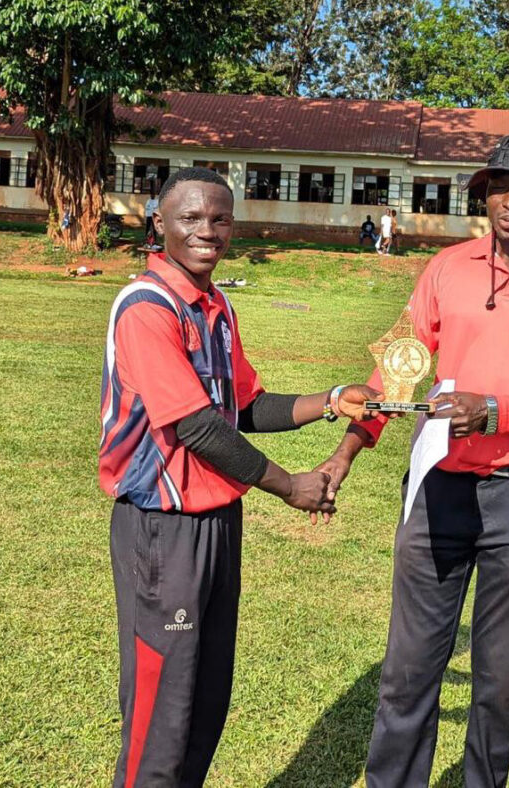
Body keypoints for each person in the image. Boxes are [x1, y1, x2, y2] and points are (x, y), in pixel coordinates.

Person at [316, 132, 509, 788]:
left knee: (498, 681)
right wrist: (347, 451)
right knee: (408, 670)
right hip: (439, 488)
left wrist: (497, 411)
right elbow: (400, 365)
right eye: (500, 187)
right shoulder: (447, 266)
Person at [99, 166, 381, 787]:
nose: (208, 230)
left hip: (219, 523)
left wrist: (333, 400)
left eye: (220, 218)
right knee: (162, 710)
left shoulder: (216, 307)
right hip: (163, 528)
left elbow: (245, 407)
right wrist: (290, 486)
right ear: (159, 224)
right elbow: (197, 427)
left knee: (204, 699)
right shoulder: (146, 308)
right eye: (191, 218)